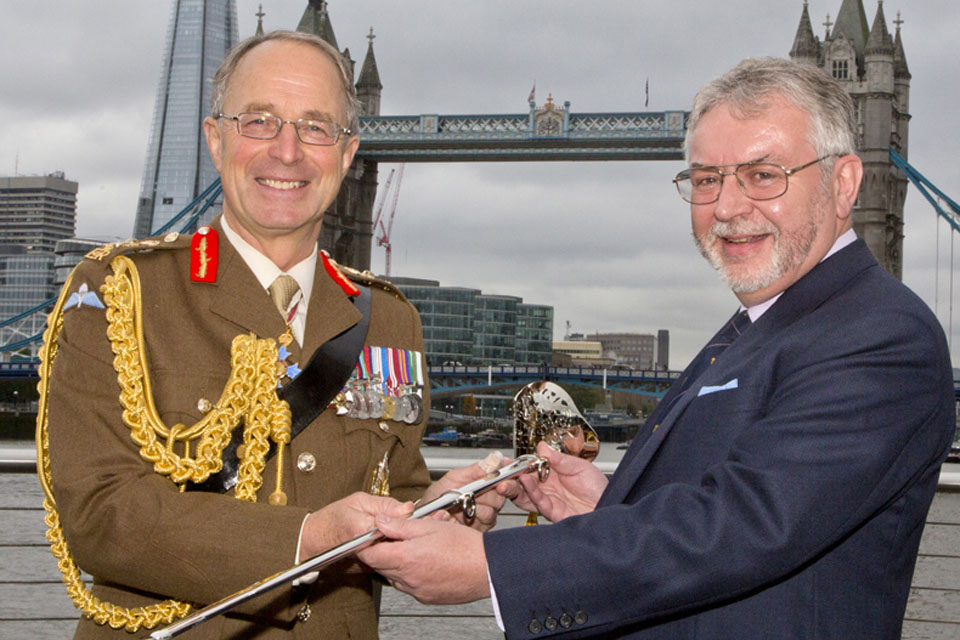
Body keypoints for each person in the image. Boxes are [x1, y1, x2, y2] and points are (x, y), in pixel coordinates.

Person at [358, 57, 956, 639]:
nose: (726, 207)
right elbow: (718, 495)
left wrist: (490, 566)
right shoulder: (764, 322)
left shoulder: (880, 336)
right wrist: (613, 506)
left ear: (845, 182)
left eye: (764, 175)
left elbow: (744, 525)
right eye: (705, 179)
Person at [40, 30, 485, 639]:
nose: (288, 151)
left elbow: (392, 488)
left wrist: (443, 512)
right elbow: (97, 513)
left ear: (348, 153)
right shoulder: (121, 291)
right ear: (216, 138)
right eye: (260, 121)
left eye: (315, 126)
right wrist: (307, 539)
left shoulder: (388, 318)